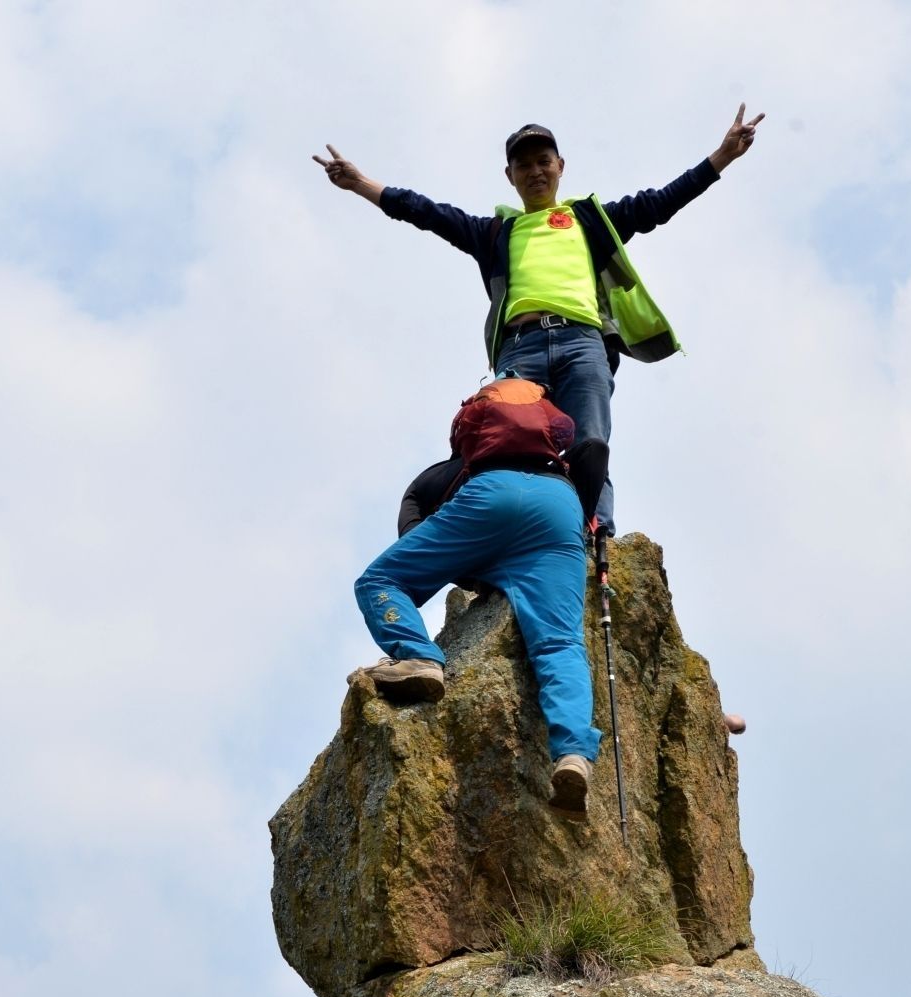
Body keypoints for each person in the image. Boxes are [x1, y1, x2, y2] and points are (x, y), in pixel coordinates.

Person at [314, 109, 763, 534]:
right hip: (519, 350)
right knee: (503, 446)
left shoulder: (588, 220)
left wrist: (722, 156)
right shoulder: (495, 233)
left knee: (590, 441)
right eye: (523, 165)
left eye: (543, 161)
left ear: (560, 165)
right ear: (510, 176)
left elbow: (658, 204)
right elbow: (425, 212)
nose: (535, 171)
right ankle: (507, 531)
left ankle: (596, 534)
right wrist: (359, 184)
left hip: (582, 342)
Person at [355, 377, 608, 816]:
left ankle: (419, 657)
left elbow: (413, 524)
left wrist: (457, 564)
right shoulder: (558, 451)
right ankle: (572, 755)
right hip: (560, 508)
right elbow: (594, 449)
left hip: (489, 499)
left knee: (379, 581)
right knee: (560, 643)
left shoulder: (447, 471)